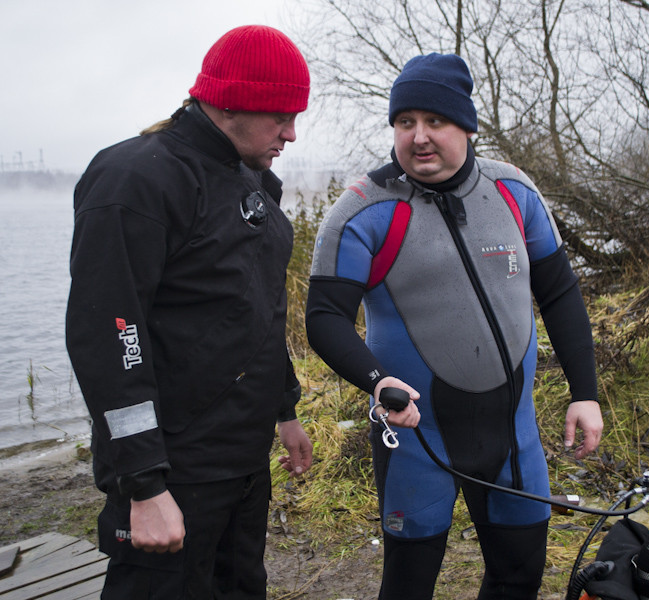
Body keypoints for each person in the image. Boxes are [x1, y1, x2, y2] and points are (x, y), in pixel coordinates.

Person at [305, 53, 603, 599]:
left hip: (513, 436)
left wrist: (585, 392)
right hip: (416, 435)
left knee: (518, 579)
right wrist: (377, 382)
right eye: (404, 122)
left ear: (466, 125)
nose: (418, 137)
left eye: (434, 121)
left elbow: (559, 291)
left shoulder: (514, 193)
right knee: (408, 589)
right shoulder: (362, 212)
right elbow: (324, 319)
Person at [65, 25, 313, 599]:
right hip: (175, 471)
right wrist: (144, 486)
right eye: (280, 115)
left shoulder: (250, 180)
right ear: (231, 102)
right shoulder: (137, 178)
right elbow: (109, 335)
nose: (291, 133)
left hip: (243, 462)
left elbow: (256, 308)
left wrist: (285, 407)